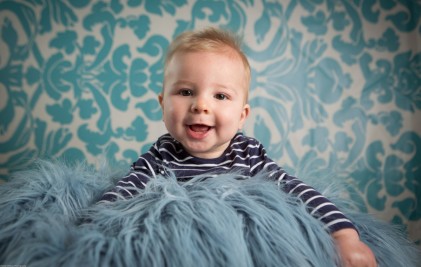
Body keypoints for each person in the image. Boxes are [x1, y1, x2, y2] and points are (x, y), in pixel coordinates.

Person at [100, 27, 377, 267]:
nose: (201, 105)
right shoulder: (160, 155)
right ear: (163, 105)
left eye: (220, 95)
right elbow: (125, 189)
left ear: (242, 116)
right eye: (185, 92)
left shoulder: (250, 155)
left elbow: (298, 190)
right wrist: (91, 227)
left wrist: (344, 236)